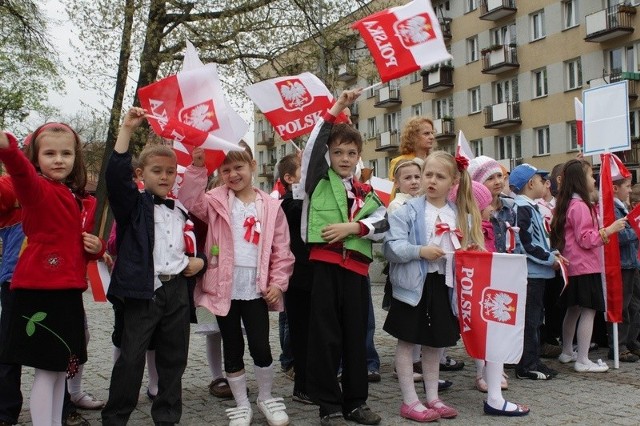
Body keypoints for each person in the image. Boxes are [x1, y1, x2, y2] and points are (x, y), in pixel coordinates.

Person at [101, 108, 205, 425]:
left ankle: (167, 416)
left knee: (174, 359)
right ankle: (116, 416)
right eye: (156, 170)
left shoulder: (179, 208)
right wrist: (127, 129)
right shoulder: (133, 205)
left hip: (176, 290)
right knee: (131, 358)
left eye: (170, 172)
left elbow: (192, 242)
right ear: (141, 175)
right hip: (144, 291)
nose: (164, 176)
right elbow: (115, 177)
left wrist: (197, 262)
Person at [179, 141, 294, 426]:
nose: (233, 174)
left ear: (253, 166)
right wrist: (196, 167)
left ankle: (265, 396)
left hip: (256, 288)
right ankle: (242, 403)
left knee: (261, 346)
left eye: (239, 166)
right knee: (232, 345)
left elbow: (282, 250)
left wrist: (278, 283)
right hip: (224, 288)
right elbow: (190, 200)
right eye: (226, 169)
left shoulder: (270, 205)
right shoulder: (215, 200)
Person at [0, 125, 105, 426]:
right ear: (35, 158)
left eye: (66, 153)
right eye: (49, 153)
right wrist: (7, 148)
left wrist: (95, 248)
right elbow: (20, 173)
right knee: (47, 372)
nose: (59, 159)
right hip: (40, 291)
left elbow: (77, 248)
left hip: (69, 290)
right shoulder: (37, 189)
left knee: (61, 369)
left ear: (76, 157)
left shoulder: (73, 196)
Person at [295, 88, 388, 426]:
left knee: (356, 337)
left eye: (351, 153)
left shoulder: (367, 191)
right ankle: (329, 406)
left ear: (359, 155)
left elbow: (384, 224)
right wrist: (338, 107)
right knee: (325, 338)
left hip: (357, 272)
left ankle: (355, 403)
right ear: (329, 156)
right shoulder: (316, 179)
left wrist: (354, 228)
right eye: (338, 153)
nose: (345, 158)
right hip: (325, 267)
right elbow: (312, 148)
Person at [383, 151, 483, 422]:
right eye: (428, 174)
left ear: (453, 182)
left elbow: (466, 251)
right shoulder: (408, 211)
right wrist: (420, 251)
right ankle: (409, 400)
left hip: (443, 285)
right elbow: (391, 247)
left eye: (440, 176)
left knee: (435, 345)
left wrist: (469, 251)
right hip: (413, 286)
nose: (432, 181)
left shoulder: (459, 215)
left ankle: (433, 397)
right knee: (408, 341)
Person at [550, 159, 627, 373]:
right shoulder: (580, 206)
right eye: (590, 176)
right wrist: (609, 230)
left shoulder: (570, 204)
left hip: (575, 265)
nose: (594, 179)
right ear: (580, 181)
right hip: (585, 266)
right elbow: (586, 239)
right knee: (589, 311)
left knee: (573, 309)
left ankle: (567, 351)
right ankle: (583, 359)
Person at [509, 164, 566, 381]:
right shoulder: (522, 208)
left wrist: (554, 252)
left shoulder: (530, 207)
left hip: (538, 274)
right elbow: (525, 243)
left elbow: (540, 240)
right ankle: (526, 365)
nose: (546, 184)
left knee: (535, 320)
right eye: (542, 180)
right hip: (530, 275)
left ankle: (532, 360)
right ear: (530, 183)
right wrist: (549, 258)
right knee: (530, 321)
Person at [276, 153, 315, 404]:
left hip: (316, 275)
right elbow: (301, 211)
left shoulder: (311, 200)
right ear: (289, 179)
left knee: (317, 331)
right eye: (305, 168)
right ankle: (302, 385)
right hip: (298, 278)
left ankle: (315, 379)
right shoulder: (289, 204)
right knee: (301, 332)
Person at [0, 174, 26, 426]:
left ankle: (64, 404)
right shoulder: (10, 184)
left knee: (63, 345)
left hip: (55, 281)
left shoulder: (66, 187)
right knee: (8, 347)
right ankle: (6, 412)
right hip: (14, 279)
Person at [606, 175, 640, 362]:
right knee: (621, 307)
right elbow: (617, 236)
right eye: (627, 186)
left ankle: (631, 342)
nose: (629, 190)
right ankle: (618, 347)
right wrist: (637, 230)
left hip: (630, 262)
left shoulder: (621, 206)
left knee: (633, 306)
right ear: (615, 188)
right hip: (622, 263)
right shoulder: (613, 209)